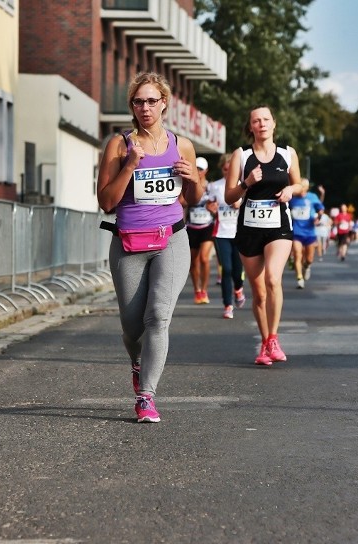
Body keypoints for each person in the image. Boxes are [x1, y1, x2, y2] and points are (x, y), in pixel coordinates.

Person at [97, 71, 202, 422]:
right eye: (139, 101)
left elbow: (195, 197)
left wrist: (192, 179)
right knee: (132, 325)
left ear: (164, 104)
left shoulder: (181, 144)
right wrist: (130, 164)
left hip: (172, 238)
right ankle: (137, 361)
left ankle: (146, 396)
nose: (145, 107)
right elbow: (107, 202)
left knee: (158, 316)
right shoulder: (118, 144)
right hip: (129, 242)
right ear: (132, 106)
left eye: (152, 101)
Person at [224, 105, 304, 366]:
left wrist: (292, 188)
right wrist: (246, 183)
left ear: (274, 124)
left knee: (273, 279)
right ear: (250, 127)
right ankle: (264, 342)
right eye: (256, 121)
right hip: (249, 229)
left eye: (266, 119)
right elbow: (229, 196)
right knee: (258, 293)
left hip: (279, 226)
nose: (261, 124)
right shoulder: (241, 155)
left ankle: (273, 339)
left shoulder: (287, 153)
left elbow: (302, 183)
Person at [205, 153, 246, 319]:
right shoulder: (215, 186)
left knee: (238, 271)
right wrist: (210, 208)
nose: (228, 172)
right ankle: (228, 305)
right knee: (226, 269)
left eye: (231, 169)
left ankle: (239, 288)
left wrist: (239, 204)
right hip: (221, 232)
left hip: (240, 232)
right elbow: (209, 203)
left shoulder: (243, 184)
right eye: (225, 169)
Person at [186, 156, 216, 304]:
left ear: (206, 171)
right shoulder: (188, 184)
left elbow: (218, 206)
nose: (197, 171)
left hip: (207, 226)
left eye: (200, 169)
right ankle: (197, 290)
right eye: (195, 168)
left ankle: (204, 290)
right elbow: (181, 201)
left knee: (204, 258)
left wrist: (212, 208)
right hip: (191, 227)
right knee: (194, 262)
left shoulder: (211, 187)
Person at [288, 179, 324, 289]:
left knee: (309, 259)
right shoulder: (292, 199)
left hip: (310, 232)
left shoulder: (312, 197)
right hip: (296, 232)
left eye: (304, 188)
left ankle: (307, 266)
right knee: (298, 255)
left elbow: (320, 209)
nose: (302, 190)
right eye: (300, 187)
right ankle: (299, 278)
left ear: (307, 188)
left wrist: (318, 217)